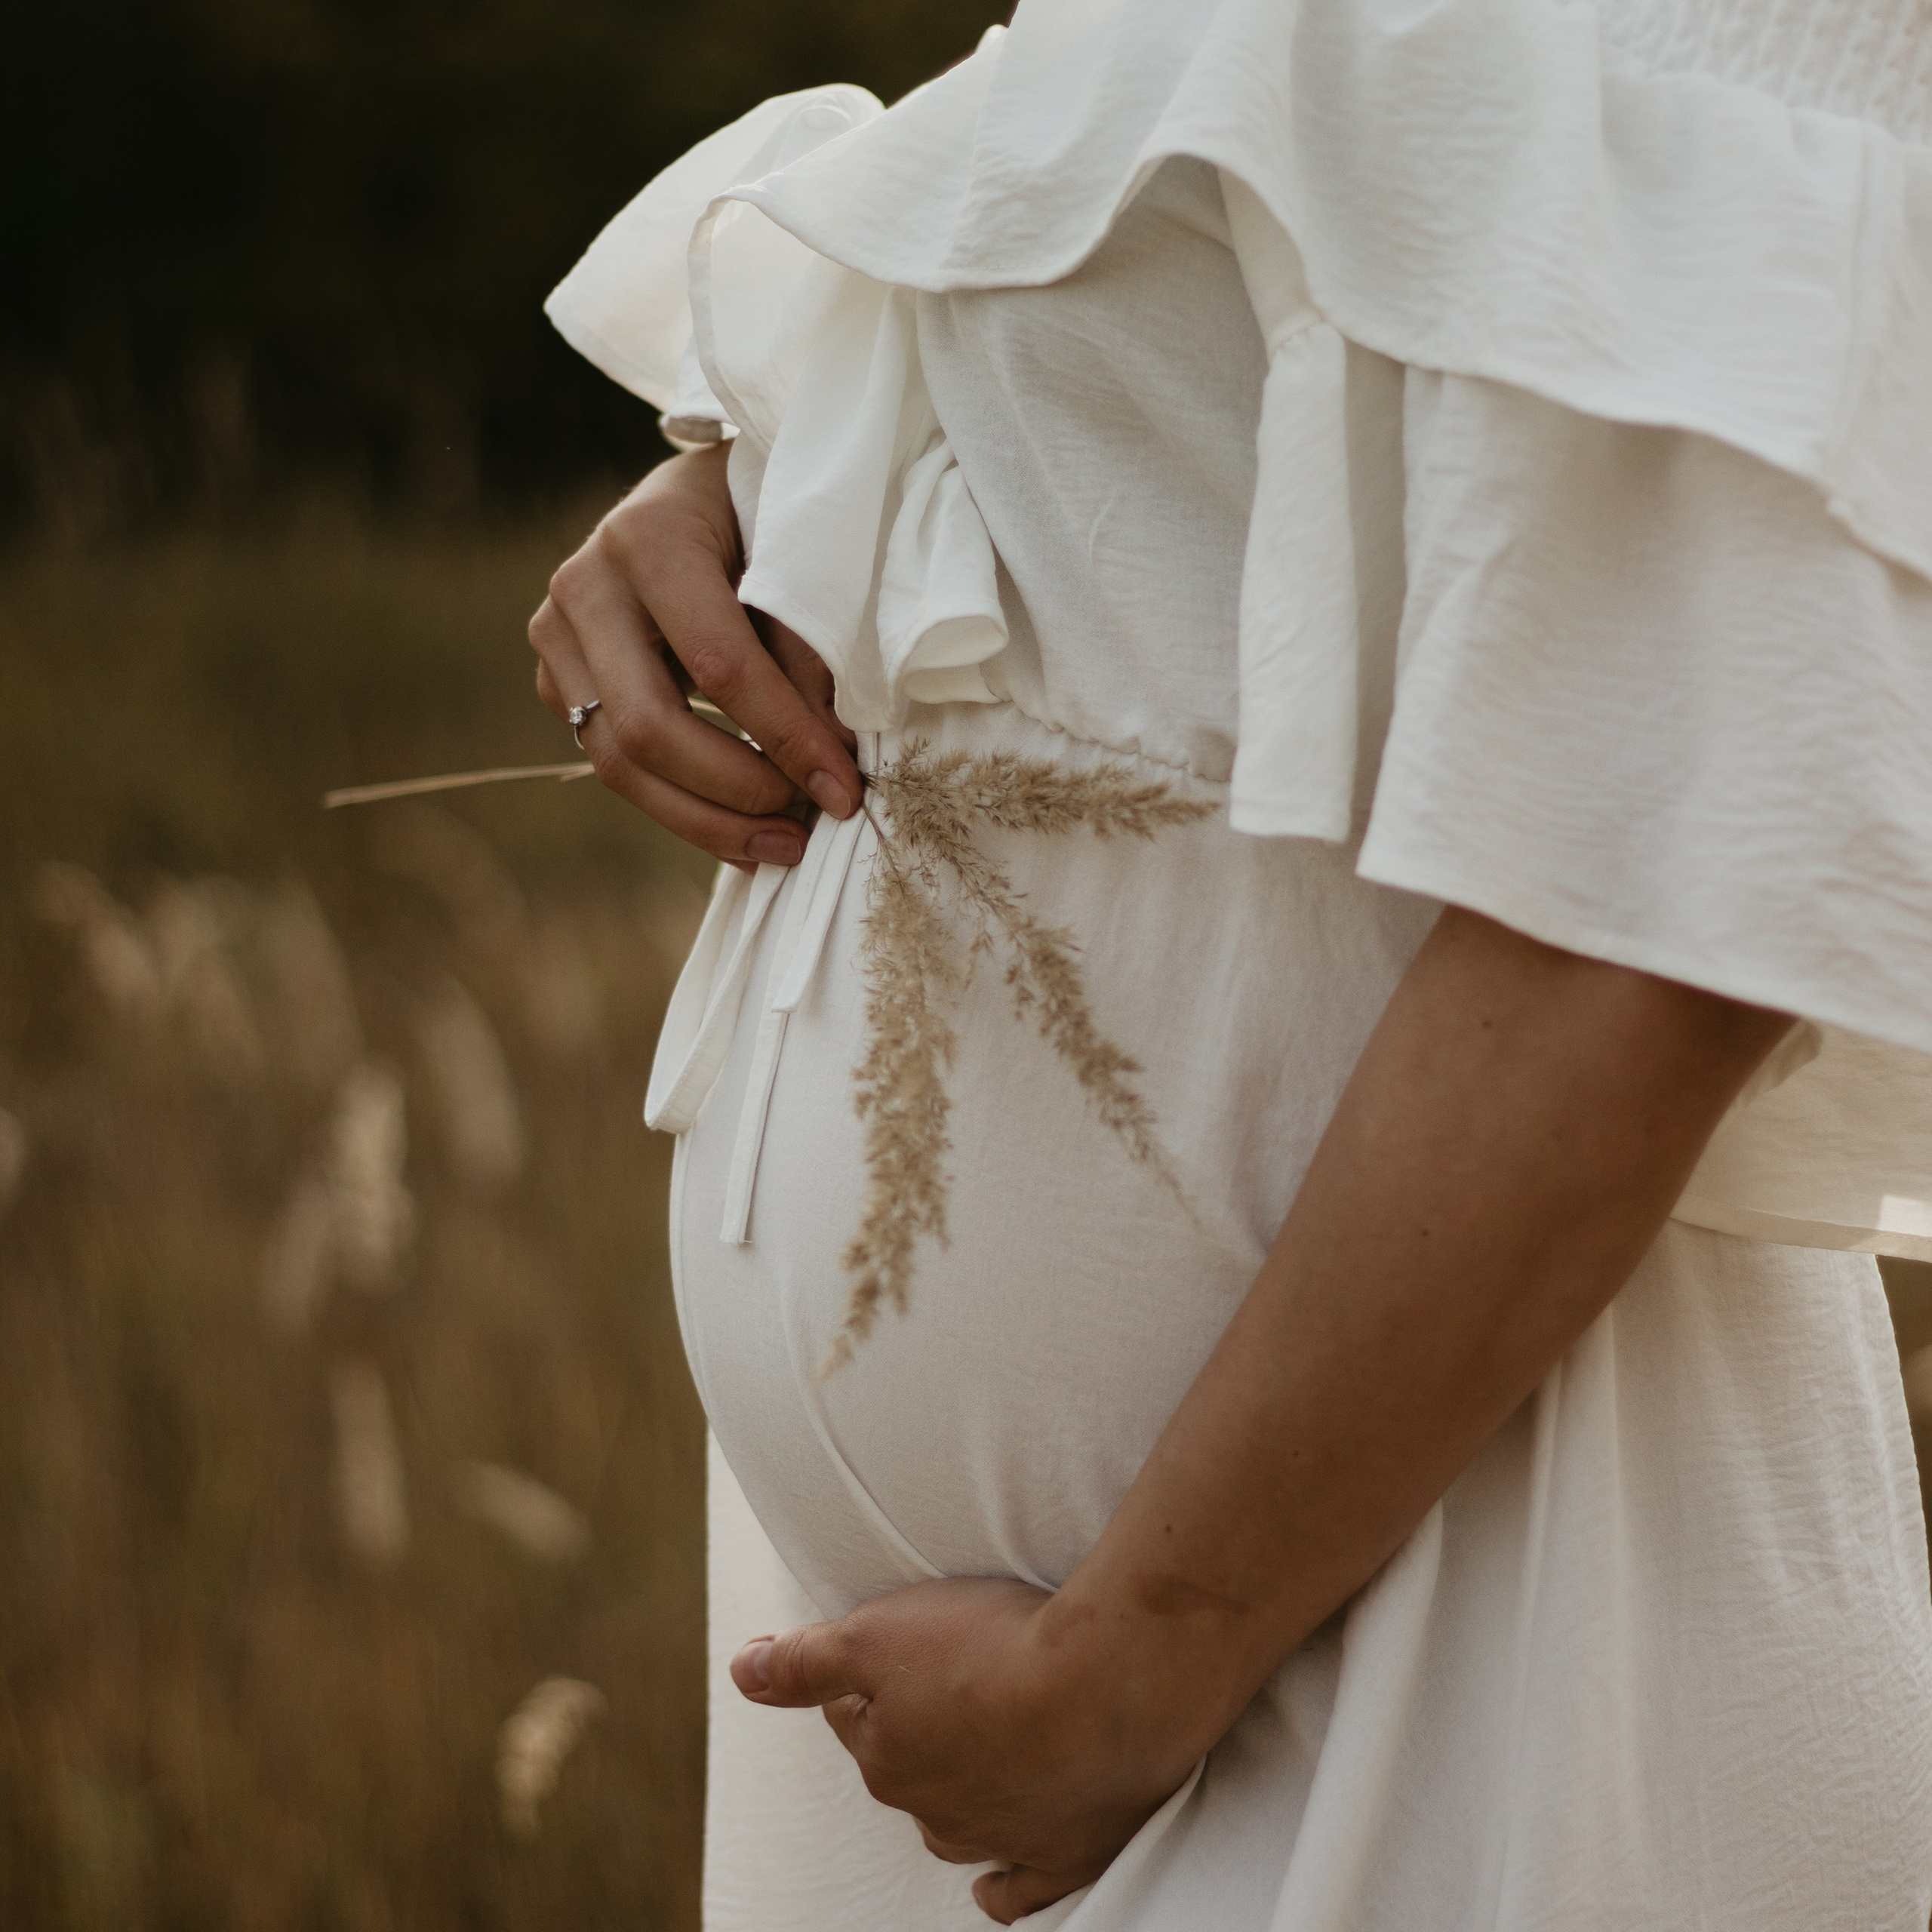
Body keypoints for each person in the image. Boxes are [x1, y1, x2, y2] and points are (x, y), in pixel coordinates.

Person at [528, 0, 1932, 1924]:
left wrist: (1140, 1649)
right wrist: (779, 463)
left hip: (1428, 1631)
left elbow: (1692, 803)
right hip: (955, 1728)